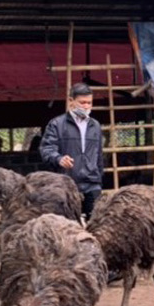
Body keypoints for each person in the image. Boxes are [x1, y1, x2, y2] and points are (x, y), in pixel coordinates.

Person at [40, 83, 104, 217]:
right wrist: (59, 159)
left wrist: (98, 178)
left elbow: (98, 155)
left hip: (92, 183)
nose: (86, 106)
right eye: (82, 102)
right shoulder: (57, 124)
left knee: (95, 223)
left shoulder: (95, 126)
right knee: (69, 225)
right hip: (66, 183)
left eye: (89, 103)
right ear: (71, 101)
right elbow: (46, 149)